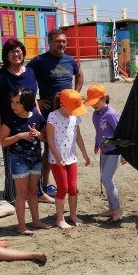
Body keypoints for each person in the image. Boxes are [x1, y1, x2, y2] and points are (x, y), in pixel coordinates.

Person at [0, 38, 53, 204]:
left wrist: (40, 121)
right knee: (13, 160)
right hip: (10, 124)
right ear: (6, 55)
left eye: (18, 51)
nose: (15, 54)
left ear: (23, 53)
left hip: (30, 121)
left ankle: (38, 192)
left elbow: (33, 101)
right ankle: (14, 195)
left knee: (34, 158)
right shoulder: (1, 75)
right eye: (11, 52)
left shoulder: (30, 72)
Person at [28, 29, 84, 196]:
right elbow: (26, 79)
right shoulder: (39, 61)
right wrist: (35, 100)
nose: (62, 44)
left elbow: (80, 76)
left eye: (64, 41)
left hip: (68, 112)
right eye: (58, 41)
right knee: (50, 147)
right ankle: (46, 184)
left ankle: (67, 182)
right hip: (49, 112)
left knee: (68, 144)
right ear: (49, 43)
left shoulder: (70, 60)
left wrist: (76, 94)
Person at [0, 87, 50, 235]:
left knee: (33, 192)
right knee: (21, 194)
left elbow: (45, 138)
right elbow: (3, 141)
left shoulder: (37, 118)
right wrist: (20, 136)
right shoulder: (9, 118)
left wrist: (38, 134)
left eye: (18, 102)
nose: (14, 105)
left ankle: (35, 221)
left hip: (35, 159)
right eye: (12, 102)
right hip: (18, 160)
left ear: (26, 103)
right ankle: (21, 226)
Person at [46, 89, 91, 229]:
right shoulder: (52, 117)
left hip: (71, 157)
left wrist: (84, 153)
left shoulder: (75, 116)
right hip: (57, 159)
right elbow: (50, 139)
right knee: (62, 188)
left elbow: (77, 135)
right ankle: (60, 219)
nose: (74, 111)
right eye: (73, 108)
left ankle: (72, 214)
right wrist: (58, 158)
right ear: (63, 104)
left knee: (73, 188)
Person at [85, 84, 126, 222]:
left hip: (114, 151)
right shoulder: (96, 115)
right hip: (104, 151)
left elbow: (121, 134)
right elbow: (99, 131)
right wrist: (97, 144)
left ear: (103, 98)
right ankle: (111, 208)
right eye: (91, 103)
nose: (93, 105)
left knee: (107, 180)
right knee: (105, 180)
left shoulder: (111, 114)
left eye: (95, 102)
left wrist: (124, 154)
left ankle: (118, 208)